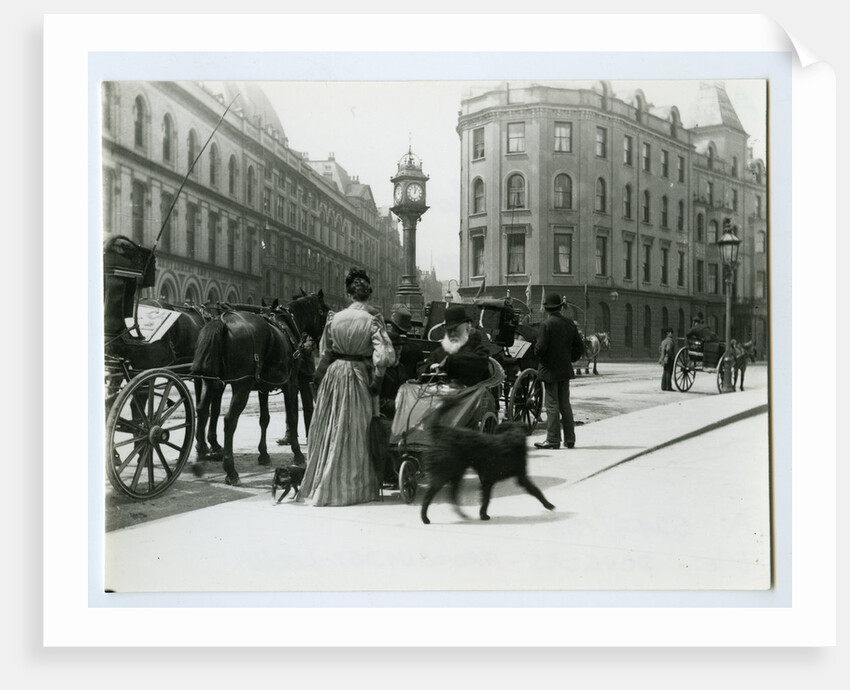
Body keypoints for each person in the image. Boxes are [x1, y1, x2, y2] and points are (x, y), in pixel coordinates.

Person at [296, 268, 396, 506]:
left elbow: (325, 351)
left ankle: (323, 478)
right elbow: (383, 356)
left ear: (349, 295)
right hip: (358, 374)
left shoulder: (335, 318)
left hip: (335, 374)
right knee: (355, 428)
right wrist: (378, 379)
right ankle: (350, 485)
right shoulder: (372, 320)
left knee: (331, 425)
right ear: (367, 296)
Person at [533, 292, 585, 450]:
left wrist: (538, 355)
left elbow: (540, 349)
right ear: (560, 308)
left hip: (549, 370)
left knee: (552, 405)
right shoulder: (570, 324)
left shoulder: (546, 325)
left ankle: (553, 440)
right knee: (565, 405)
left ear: (546, 308)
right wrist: (569, 359)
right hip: (565, 370)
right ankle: (570, 440)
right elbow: (580, 347)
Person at [417, 304, 490, 387]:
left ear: (466, 329)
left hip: (469, 397)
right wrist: (431, 367)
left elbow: (479, 365)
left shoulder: (478, 349)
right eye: (449, 330)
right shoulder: (440, 352)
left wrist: (449, 361)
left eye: (456, 329)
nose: (452, 334)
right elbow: (421, 368)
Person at [277, 294, 317, 447]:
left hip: (306, 370)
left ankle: (310, 435)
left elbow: (311, 344)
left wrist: (303, 347)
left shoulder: (308, 325)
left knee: (308, 405)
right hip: (294, 370)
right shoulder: (291, 325)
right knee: (291, 403)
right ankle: (290, 434)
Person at [658, 326, 676, 391]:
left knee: (665, 372)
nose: (672, 334)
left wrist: (662, 355)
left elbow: (660, 349)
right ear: (668, 333)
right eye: (671, 333)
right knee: (669, 372)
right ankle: (668, 387)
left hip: (663, 358)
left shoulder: (663, 341)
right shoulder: (670, 341)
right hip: (668, 358)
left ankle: (663, 387)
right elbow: (668, 349)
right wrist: (671, 356)